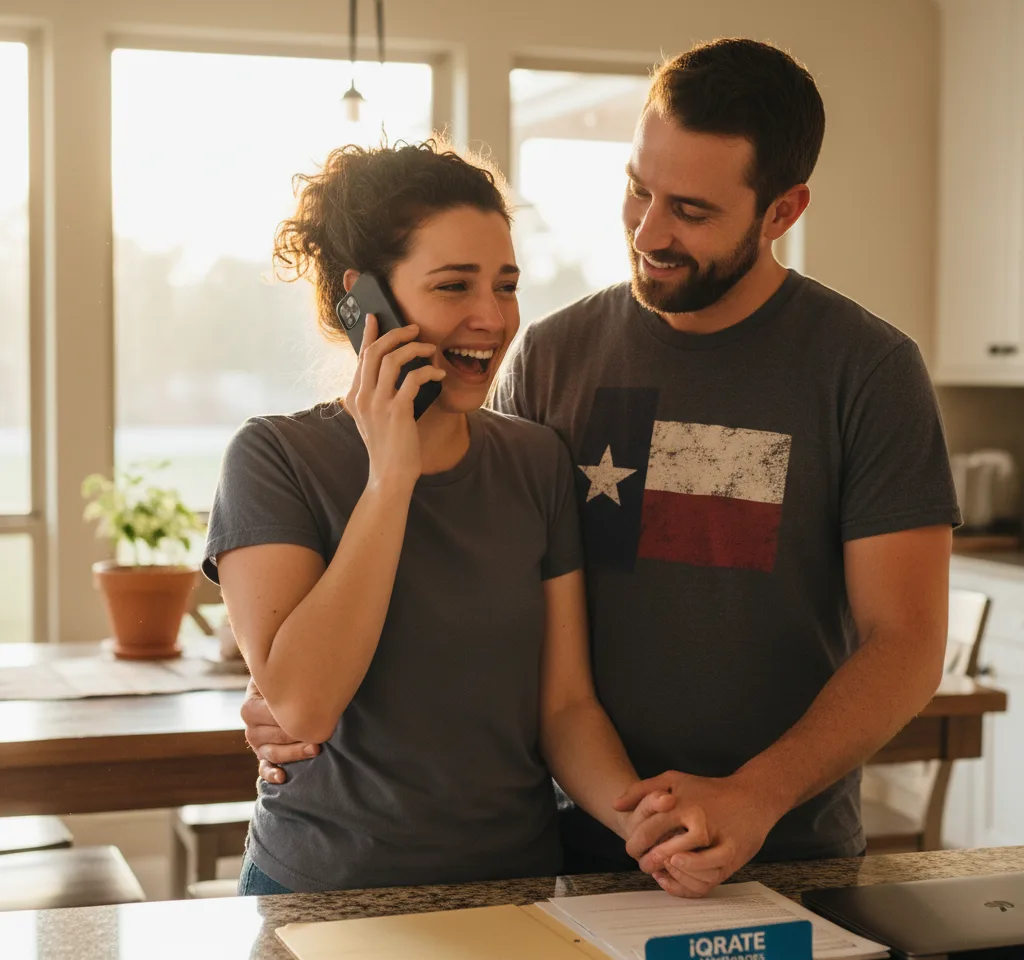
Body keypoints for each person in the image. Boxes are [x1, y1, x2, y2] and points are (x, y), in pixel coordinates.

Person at [244, 39, 959, 898]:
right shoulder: (552, 355)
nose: (650, 231)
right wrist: (290, 693)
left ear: (782, 212)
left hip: (785, 840)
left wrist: (753, 795)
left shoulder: (867, 371)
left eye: (690, 210)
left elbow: (907, 643)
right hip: (570, 843)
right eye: (637, 189)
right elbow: (473, 577)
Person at [204, 140, 668, 896]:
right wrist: (391, 477)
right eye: (454, 286)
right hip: (325, 891)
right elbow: (303, 705)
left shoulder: (537, 462)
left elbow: (566, 706)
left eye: (506, 284)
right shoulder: (273, 459)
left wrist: (640, 821)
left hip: (516, 884)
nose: (491, 317)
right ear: (366, 303)